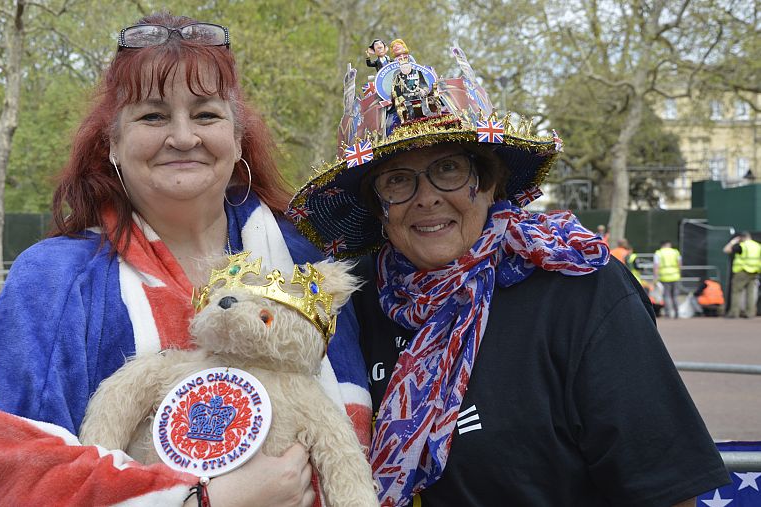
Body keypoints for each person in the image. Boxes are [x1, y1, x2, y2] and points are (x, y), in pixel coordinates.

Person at [287, 40, 729, 507]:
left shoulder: (580, 288)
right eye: (397, 179)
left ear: (490, 180)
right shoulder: (345, 304)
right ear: (377, 205)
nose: (426, 196)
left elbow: (664, 490)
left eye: (449, 168)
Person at [0, 13, 370, 507]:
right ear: (112, 142)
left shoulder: (309, 263)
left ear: (238, 138)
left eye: (205, 115)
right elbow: (13, 471)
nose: (182, 137)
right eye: (153, 116)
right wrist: (205, 498)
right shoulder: (52, 281)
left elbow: (361, 439)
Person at [723, 231, 760, 318]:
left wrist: (733, 242)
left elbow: (726, 250)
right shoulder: (757, 246)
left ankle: (734, 312)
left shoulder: (742, 246)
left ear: (741, 238)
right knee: (750, 293)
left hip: (742, 271)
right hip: (754, 271)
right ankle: (750, 313)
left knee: (736, 292)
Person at [654, 240, 682, 318]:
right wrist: (679, 273)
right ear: (669, 245)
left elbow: (656, 266)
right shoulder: (675, 252)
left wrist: (655, 277)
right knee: (675, 295)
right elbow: (679, 264)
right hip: (675, 276)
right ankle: (677, 313)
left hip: (664, 277)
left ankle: (668, 313)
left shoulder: (659, 253)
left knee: (666, 296)